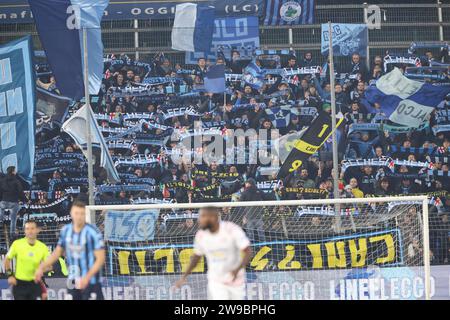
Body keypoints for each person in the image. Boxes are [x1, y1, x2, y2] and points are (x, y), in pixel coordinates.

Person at [34, 198, 106, 300]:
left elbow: (100, 259)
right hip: (73, 281)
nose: (79, 216)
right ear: (71, 213)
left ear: (85, 214)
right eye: (76, 213)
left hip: (91, 282)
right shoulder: (66, 231)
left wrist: (87, 277)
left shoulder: (93, 232)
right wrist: (41, 267)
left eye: (82, 213)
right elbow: (57, 253)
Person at [174, 207, 252, 300]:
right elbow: (196, 257)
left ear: (213, 218)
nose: (199, 220)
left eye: (202, 217)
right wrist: (184, 276)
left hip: (235, 279)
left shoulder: (231, 229)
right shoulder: (201, 235)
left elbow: (248, 252)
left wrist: (237, 269)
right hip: (216, 280)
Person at [3, 220, 49, 300]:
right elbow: (7, 259)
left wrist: (41, 269)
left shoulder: (42, 247)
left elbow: (49, 265)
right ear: (24, 231)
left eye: (32, 228)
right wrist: (10, 275)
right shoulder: (17, 244)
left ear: (37, 230)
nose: (30, 231)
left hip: (35, 283)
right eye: (27, 229)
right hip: (19, 284)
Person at [0, 166, 28, 238]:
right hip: (13, 203)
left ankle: (1, 220)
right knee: (13, 219)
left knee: (1, 209)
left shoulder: (2, 180)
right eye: (15, 170)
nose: (16, 171)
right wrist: (26, 200)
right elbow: (20, 192)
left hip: (4, 201)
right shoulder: (16, 181)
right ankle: (12, 235)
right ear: (13, 171)